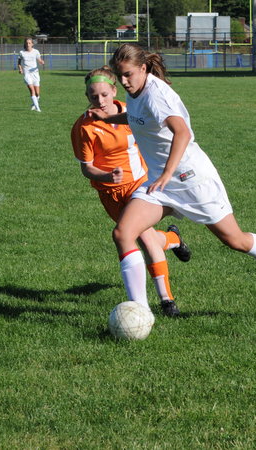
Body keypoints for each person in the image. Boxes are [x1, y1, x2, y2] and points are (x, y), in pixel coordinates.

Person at [91, 43, 256, 306]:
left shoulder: (157, 95)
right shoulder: (136, 92)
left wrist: (167, 172)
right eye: (120, 75)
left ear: (143, 68)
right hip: (160, 183)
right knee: (123, 233)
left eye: (128, 75)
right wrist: (107, 119)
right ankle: (140, 309)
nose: (124, 81)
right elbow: (140, 119)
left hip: (190, 178)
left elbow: (182, 133)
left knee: (234, 240)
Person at [71, 66, 192, 317]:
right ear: (87, 96)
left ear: (114, 91)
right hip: (111, 194)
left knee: (144, 238)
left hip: (140, 184)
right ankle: (173, 239)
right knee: (144, 236)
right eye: (93, 96)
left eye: (104, 94)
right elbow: (86, 169)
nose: (100, 100)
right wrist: (107, 176)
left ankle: (166, 300)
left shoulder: (131, 113)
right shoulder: (84, 127)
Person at [18, 37, 44, 112]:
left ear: (32, 44)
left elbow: (39, 60)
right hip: (27, 73)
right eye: (27, 43)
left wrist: (41, 62)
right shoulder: (21, 52)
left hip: (35, 73)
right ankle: (38, 109)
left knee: (37, 93)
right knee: (32, 91)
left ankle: (34, 104)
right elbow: (19, 63)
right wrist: (20, 69)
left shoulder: (36, 52)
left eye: (29, 43)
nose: (28, 44)